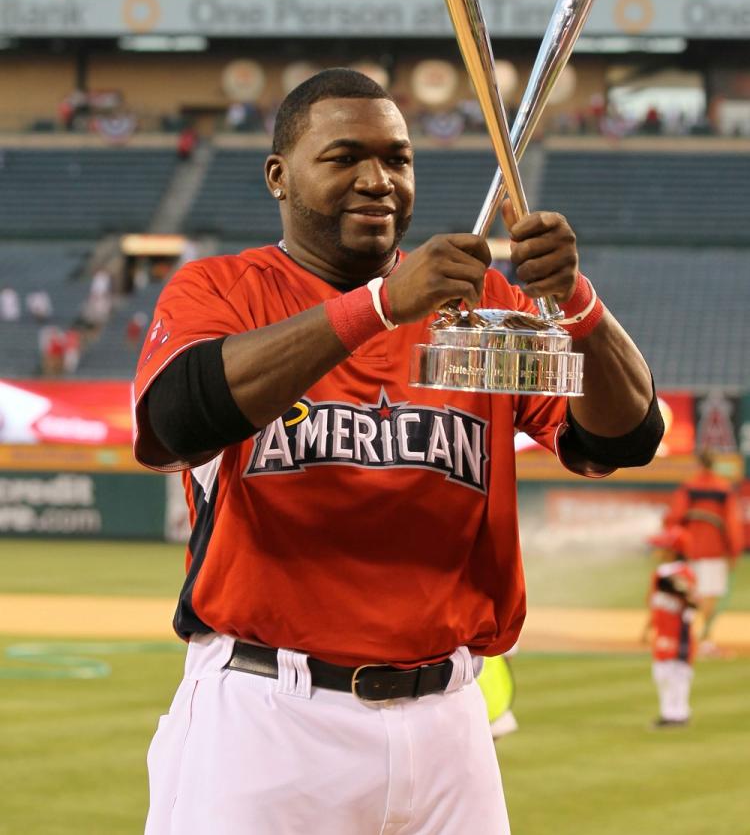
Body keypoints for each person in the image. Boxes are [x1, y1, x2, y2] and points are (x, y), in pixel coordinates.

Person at [133, 69, 663, 835]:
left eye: (398, 158)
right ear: (279, 177)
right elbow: (177, 418)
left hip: (449, 724)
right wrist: (383, 306)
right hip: (268, 716)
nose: (377, 179)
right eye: (345, 156)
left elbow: (620, 437)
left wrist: (576, 304)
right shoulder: (222, 290)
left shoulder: (480, 308)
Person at [665, 449, 744, 655]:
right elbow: (732, 524)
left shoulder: (688, 487)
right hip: (715, 550)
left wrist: (673, 548)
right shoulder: (723, 488)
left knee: (690, 595)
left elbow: (674, 518)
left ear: (699, 464)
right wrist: (734, 552)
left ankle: (686, 638)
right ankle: (704, 641)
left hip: (690, 550)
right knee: (711, 596)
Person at [644, 526, 697, 728]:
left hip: (679, 632)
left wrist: (679, 587)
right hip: (663, 630)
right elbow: (654, 602)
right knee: (661, 672)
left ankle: (679, 714)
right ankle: (668, 712)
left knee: (678, 672)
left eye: (662, 547)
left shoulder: (684, 572)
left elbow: (694, 602)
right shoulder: (661, 573)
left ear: (673, 550)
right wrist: (647, 628)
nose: (657, 551)